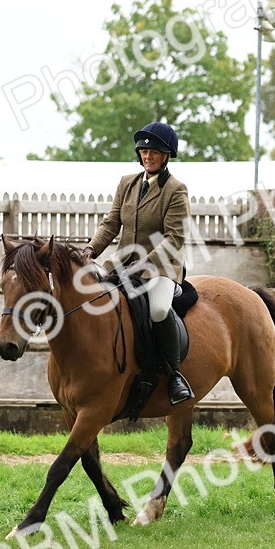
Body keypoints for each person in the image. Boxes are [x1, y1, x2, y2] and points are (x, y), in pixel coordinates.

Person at [81, 121, 194, 405]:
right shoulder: (127, 183)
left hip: (161, 268)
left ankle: (174, 375)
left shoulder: (176, 190)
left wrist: (145, 264)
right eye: (144, 151)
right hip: (121, 265)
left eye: (154, 152)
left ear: (166, 156)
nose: (148, 156)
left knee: (157, 310)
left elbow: (174, 238)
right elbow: (111, 223)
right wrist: (90, 250)